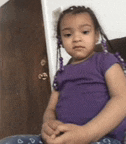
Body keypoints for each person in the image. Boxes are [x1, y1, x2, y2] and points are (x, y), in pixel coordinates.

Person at [0, 5, 126, 144]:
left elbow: (122, 99)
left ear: (96, 35)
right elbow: (51, 108)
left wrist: (87, 133)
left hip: (101, 138)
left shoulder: (105, 60)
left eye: (84, 31)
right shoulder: (61, 73)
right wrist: (49, 124)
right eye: (68, 34)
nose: (76, 38)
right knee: (8, 142)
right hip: (62, 138)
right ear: (61, 40)